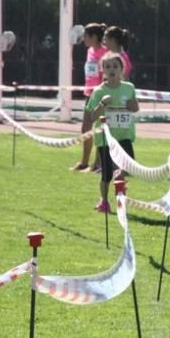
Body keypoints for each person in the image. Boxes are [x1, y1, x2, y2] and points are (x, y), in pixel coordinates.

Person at [83, 53, 139, 213]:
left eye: (115, 66)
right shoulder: (99, 91)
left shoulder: (129, 88)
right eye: (107, 67)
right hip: (105, 138)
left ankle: (120, 182)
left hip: (124, 136)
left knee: (128, 164)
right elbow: (92, 117)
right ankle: (104, 200)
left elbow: (136, 108)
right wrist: (102, 104)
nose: (111, 70)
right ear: (102, 70)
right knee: (106, 174)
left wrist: (131, 105)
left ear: (122, 69)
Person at [70, 22, 107, 172]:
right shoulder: (90, 51)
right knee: (85, 128)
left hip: (100, 95)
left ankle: (97, 164)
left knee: (99, 129)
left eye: (86, 36)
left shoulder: (105, 53)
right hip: (89, 95)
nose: (83, 39)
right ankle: (84, 162)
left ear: (94, 37)